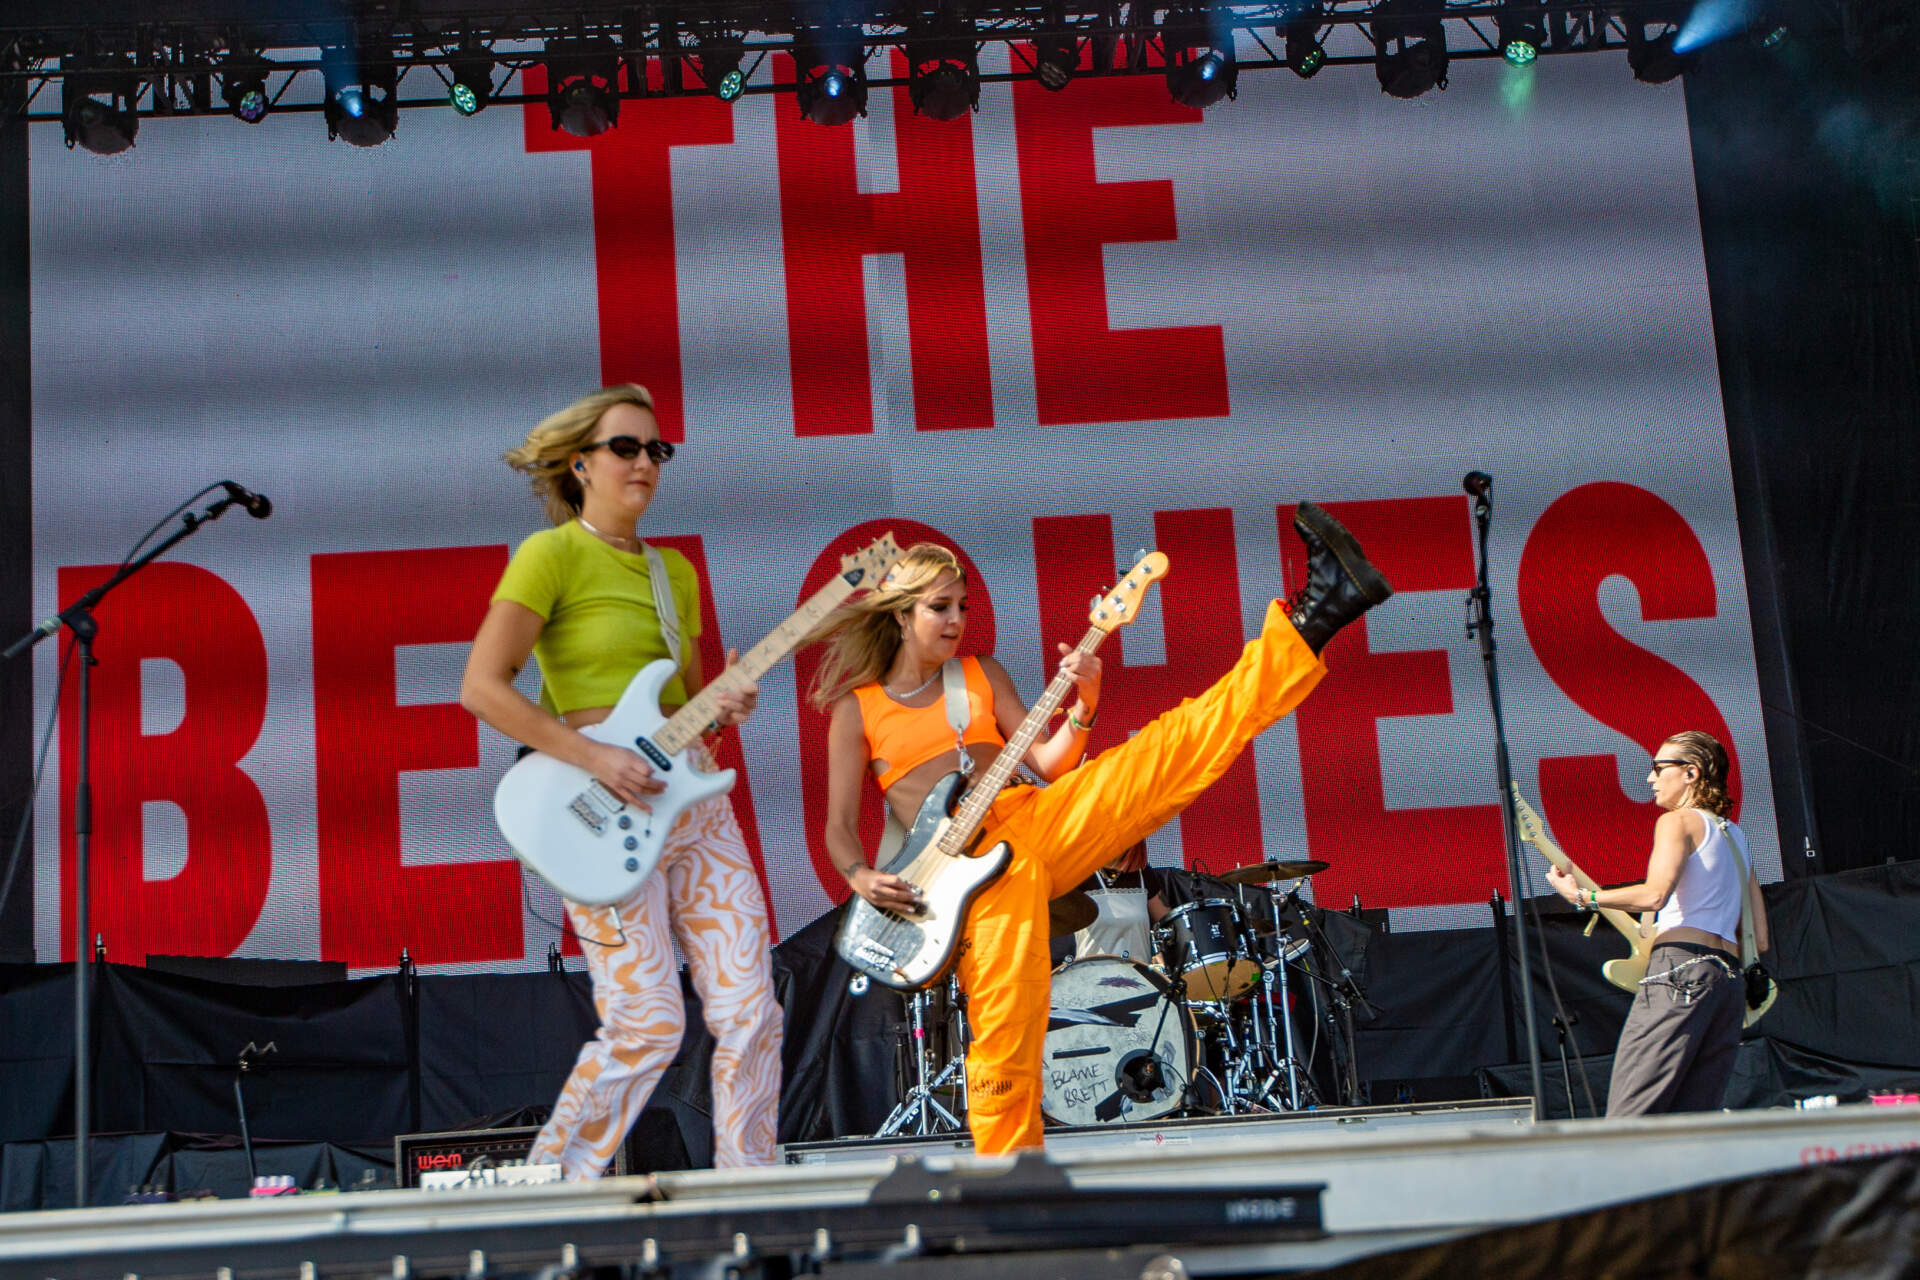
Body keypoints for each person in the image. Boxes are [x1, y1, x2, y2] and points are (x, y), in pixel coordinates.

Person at [812, 503, 1392, 1154]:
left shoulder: (979, 676)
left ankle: (1314, 620)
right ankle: (1010, 1172)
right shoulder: (856, 710)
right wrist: (860, 874)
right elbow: (837, 827)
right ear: (900, 614)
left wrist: (1085, 705)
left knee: (1163, 752)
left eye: (962, 606)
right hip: (959, 876)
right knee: (1007, 1016)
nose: (955, 621)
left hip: (1029, 815)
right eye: (939, 608)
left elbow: (1049, 766)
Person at [460, 384, 783, 1178]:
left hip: (693, 797)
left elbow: (692, 708)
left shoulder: (674, 571)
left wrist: (727, 701)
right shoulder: (551, 554)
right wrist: (594, 756)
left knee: (751, 1009)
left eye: (657, 450)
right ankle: (549, 1185)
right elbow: (482, 686)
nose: (645, 462)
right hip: (598, 801)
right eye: (626, 447)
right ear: (581, 464)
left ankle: (752, 1183)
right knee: (646, 1024)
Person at [1546, 730, 1771, 1117]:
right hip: (1728, 985)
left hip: (1681, 971)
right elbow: (1760, 939)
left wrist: (1584, 898)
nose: (1650, 778)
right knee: (1692, 1120)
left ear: (1691, 773)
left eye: (1657, 768)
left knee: (1632, 1115)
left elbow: (1654, 895)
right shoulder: (1737, 836)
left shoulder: (1677, 822)